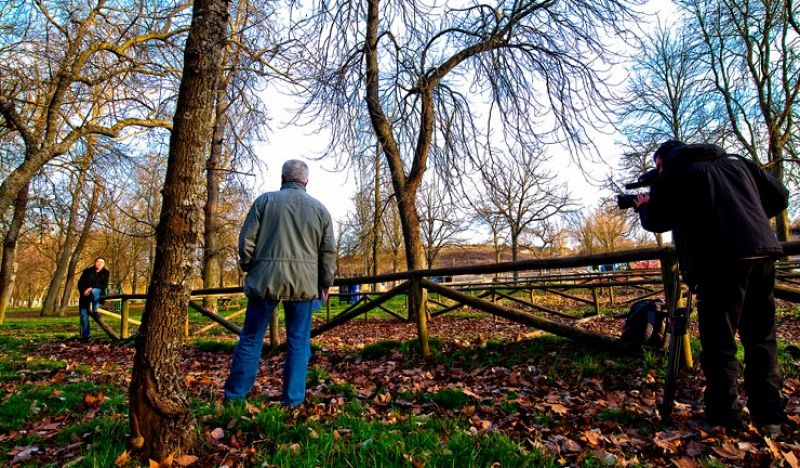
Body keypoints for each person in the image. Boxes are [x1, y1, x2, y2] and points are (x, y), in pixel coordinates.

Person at [634, 140, 789, 435]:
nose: (658, 171)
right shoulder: (737, 162)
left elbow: (657, 219)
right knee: (761, 337)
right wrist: (748, 213)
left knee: (720, 343)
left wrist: (644, 207)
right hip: (762, 252)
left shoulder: (677, 171)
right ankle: (769, 416)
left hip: (719, 260)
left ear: (665, 161)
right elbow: (780, 196)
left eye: (658, 166)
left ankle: (725, 415)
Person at [224, 160, 336, 407]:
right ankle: (293, 403)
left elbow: (246, 241)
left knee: (251, 338)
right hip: (304, 285)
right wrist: (326, 282)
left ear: (282, 178)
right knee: (298, 342)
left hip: (265, 279)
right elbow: (328, 253)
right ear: (306, 181)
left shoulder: (264, 202)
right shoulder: (320, 210)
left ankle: (235, 399)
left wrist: (249, 266)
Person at [76, 257, 110, 341]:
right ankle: (86, 337)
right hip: (85, 296)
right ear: (94, 262)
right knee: (83, 315)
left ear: (104, 265)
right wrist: (84, 290)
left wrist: (91, 288)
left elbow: (104, 285)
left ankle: (95, 311)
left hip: (98, 294)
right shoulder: (87, 271)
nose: (99, 263)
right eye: (98, 261)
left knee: (95, 290)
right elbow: (80, 283)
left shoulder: (106, 272)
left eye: (102, 262)